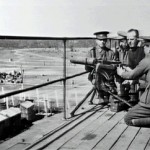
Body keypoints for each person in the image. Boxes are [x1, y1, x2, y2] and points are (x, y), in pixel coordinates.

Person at [117, 41, 150, 127]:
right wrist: (137, 81)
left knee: (128, 119)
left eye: (145, 46)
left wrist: (121, 73)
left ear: (147, 47)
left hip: (149, 103)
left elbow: (131, 75)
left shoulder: (147, 60)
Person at [85, 31, 118, 103]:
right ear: (96, 40)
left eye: (104, 40)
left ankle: (108, 96)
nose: (102, 42)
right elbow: (87, 68)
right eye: (100, 40)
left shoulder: (110, 52)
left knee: (113, 98)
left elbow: (115, 66)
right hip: (96, 78)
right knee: (102, 100)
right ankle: (101, 96)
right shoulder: (91, 52)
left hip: (109, 78)